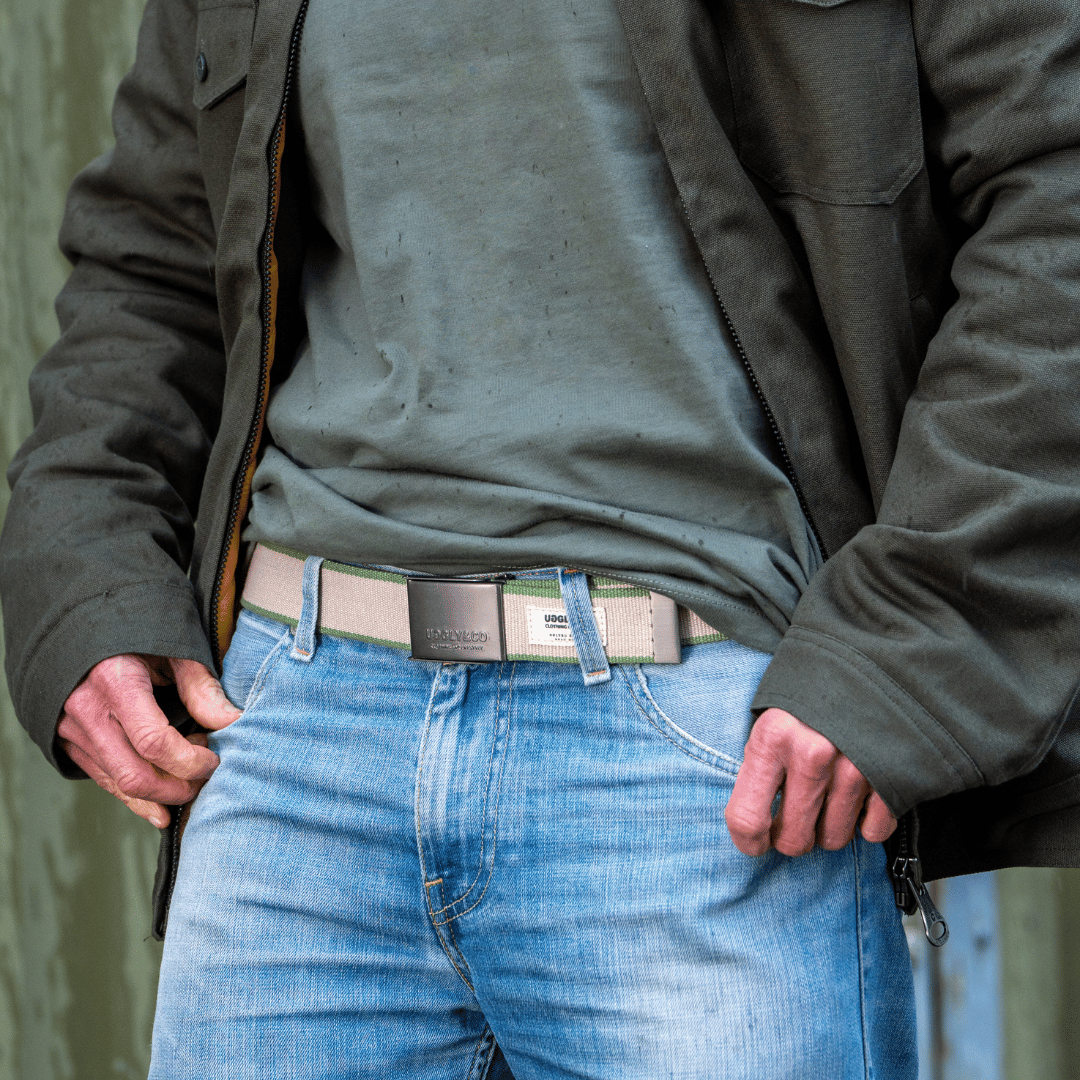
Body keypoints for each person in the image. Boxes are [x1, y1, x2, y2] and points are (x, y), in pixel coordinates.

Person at [3, 0, 1079, 1075]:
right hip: (292, 749)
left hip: (706, 756)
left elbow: (1054, 208)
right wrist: (87, 575)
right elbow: (157, 252)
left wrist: (907, 630)